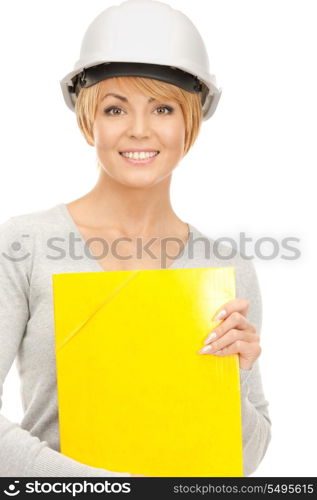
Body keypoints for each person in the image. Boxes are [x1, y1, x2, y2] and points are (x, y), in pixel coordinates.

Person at [0, 0, 271, 477]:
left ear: (190, 123)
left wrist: (236, 375)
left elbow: (243, 463)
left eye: (163, 108)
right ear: (89, 122)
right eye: (115, 108)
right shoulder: (23, 244)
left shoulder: (227, 267)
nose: (140, 130)